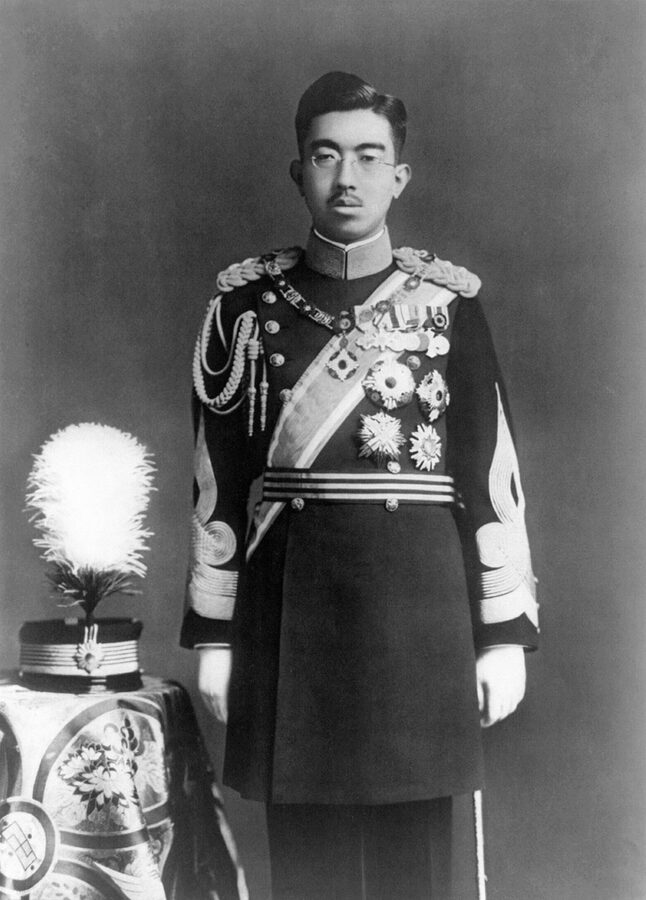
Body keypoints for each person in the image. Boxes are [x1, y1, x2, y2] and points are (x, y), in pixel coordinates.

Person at [181, 71, 539, 900]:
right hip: (290, 620)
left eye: (369, 156)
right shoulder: (245, 309)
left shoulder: (448, 307)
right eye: (327, 155)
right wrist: (213, 635)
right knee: (310, 872)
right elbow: (216, 482)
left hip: (420, 619)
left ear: (399, 176)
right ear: (298, 171)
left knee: (419, 872)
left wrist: (502, 633)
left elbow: (493, 473)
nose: (348, 177)